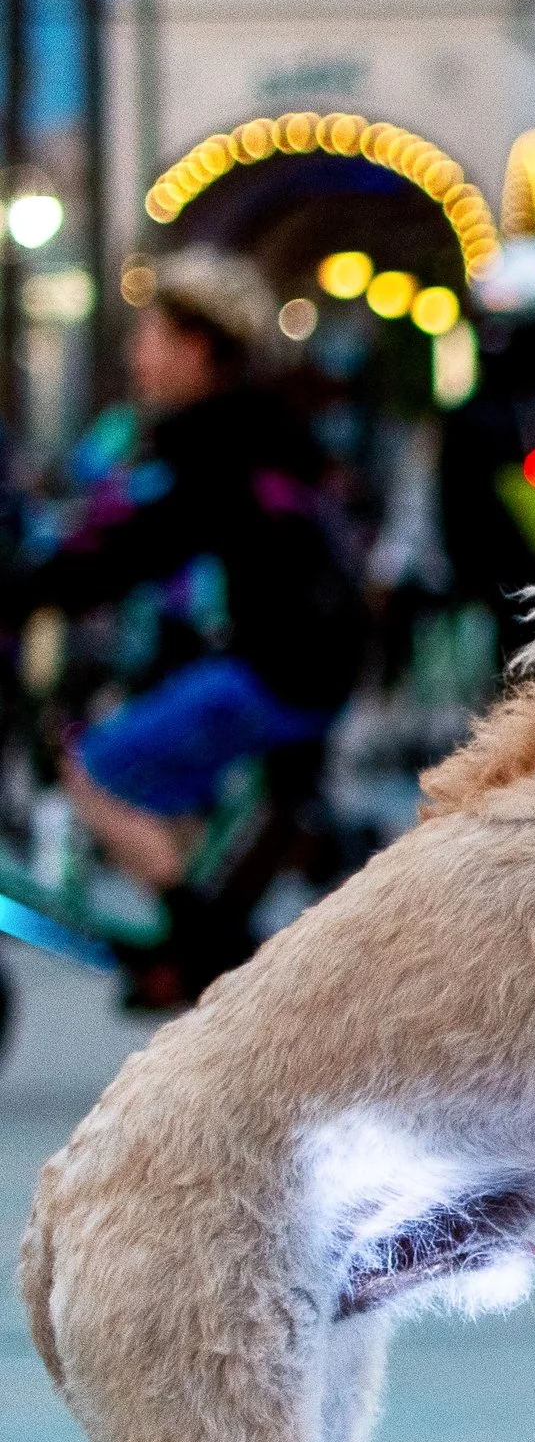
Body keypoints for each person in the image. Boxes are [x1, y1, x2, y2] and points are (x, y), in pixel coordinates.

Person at [11, 250, 368, 993]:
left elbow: (128, 549)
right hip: (312, 663)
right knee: (165, 784)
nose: (137, 358)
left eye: (149, 338)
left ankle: (204, 953)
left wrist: (24, 592)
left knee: (96, 772)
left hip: (275, 668)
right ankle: (202, 934)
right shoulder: (267, 427)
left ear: (196, 347)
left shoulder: (212, 441)